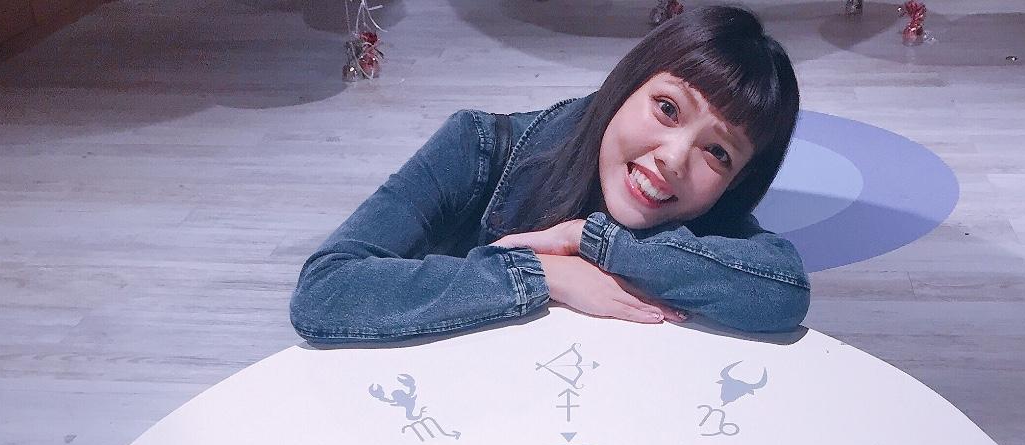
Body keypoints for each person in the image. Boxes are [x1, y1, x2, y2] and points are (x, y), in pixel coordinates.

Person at [289, 5, 808, 347]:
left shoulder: (705, 209)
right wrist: (540, 273)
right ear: (627, 84)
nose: (674, 158)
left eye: (717, 152)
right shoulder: (477, 147)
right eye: (667, 108)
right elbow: (326, 290)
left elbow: (783, 292)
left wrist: (591, 241)